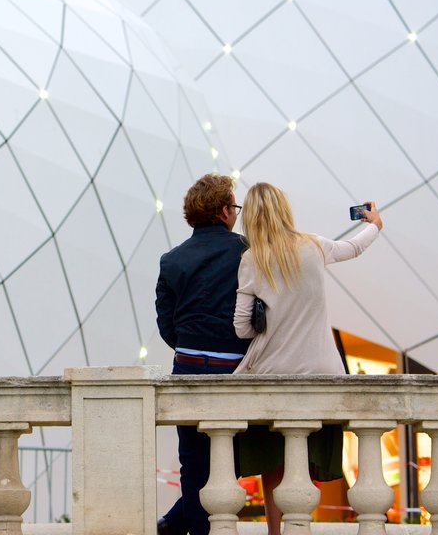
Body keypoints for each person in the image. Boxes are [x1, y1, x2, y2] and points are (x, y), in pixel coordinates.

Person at [231, 182, 383, 535]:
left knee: (273, 461)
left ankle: (274, 531)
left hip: (272, 373)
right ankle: (301, 526)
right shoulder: (313, 246)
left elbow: (241, 328)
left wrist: (267, 317)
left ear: (250, 218)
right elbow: (354, 248)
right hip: (322, 371)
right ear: (285, 209)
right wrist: (374, 223)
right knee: (307, 458)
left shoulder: (251, 259)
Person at [155, 173, 253, 535]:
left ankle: (181, 523)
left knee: (194, 464)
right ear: (226, 210)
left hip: (188, 369)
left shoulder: (172, 260)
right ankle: (175, 521)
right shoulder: (247, 251)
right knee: (230, 461)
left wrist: (194, 347)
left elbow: (167, 326)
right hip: (236, 371)